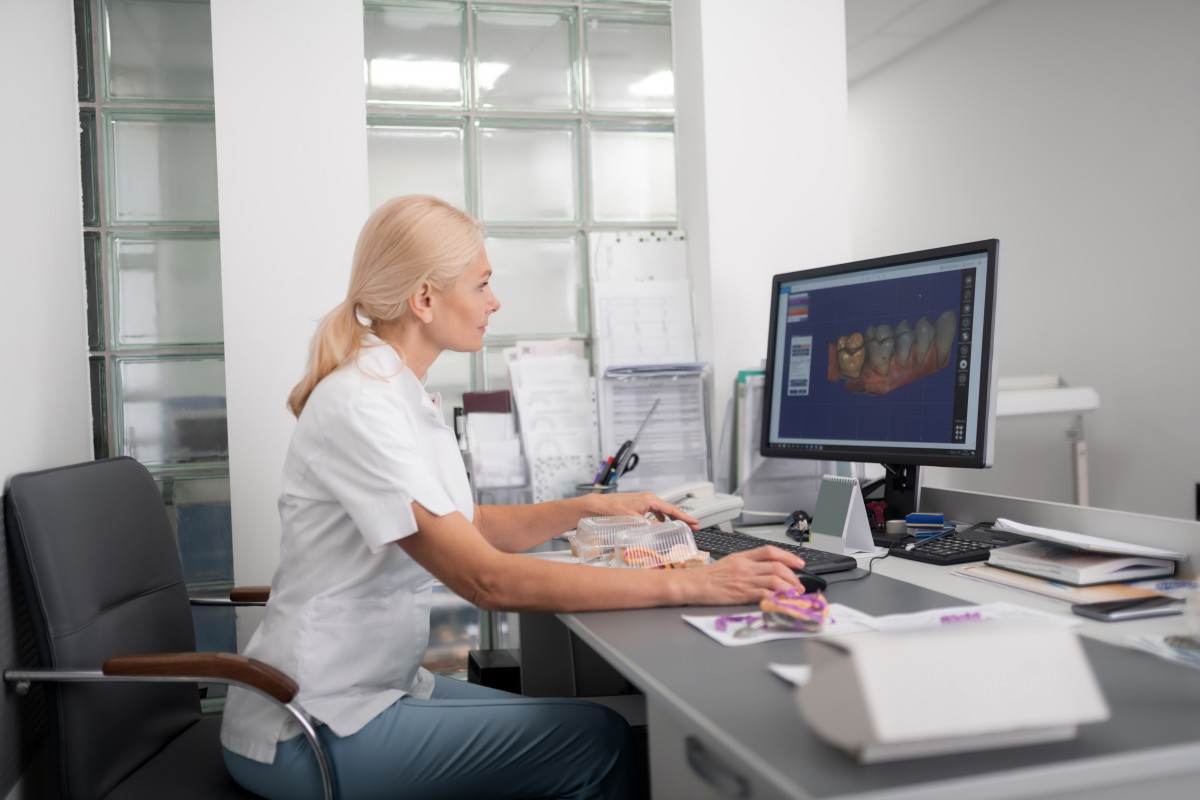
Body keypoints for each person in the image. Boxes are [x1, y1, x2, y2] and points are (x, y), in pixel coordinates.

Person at [219, 195, 806, 800]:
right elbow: (484, 581)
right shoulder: (362, 405)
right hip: (308, 726)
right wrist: (694, 584)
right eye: (482, 285)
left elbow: (467, 525)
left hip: (368, 691)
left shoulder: (398, 394)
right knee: (596, 740)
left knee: (587, 718)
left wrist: (590, 508)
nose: (493, 302)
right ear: (425, 299)